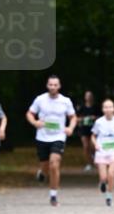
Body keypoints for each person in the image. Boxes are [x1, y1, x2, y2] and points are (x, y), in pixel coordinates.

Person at [26, 75, 77, 206]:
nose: (53, 87)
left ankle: (53, 195)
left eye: (55, 85)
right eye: (50, 84)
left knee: (54, 164)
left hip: (59, 137)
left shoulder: (65, 101)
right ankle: (42, 172)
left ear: (59, 86)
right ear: (47, 85)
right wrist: (35, 122)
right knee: (46, 167)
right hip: (42, 137)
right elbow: (29, 113)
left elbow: (73, 117)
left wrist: (70, 128)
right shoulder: (40, 99)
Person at [91, 98, 114, 207]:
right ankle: (102, 182)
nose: (108, 109)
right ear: (103, 109)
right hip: (101, 152)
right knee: (104, 177)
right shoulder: (99, 122)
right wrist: (95, 144)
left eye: (110, 107)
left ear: (113, 109)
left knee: (111, 174)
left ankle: (109, 197)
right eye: (106, 107)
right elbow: (93, 136)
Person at [76, 91, 99, 172]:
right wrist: (83, 119)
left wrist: (94, 118)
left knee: (93, 146)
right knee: (86, 147)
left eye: (90, 96)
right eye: (87, 96)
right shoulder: (81, 107)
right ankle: (89, 164)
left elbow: (100, 117)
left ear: (92, 97)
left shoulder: (96, 107)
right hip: (83, 129)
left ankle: (95, 161)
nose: (89, 97)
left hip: (94, 130)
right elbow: (76, 118)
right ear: (85, 97)